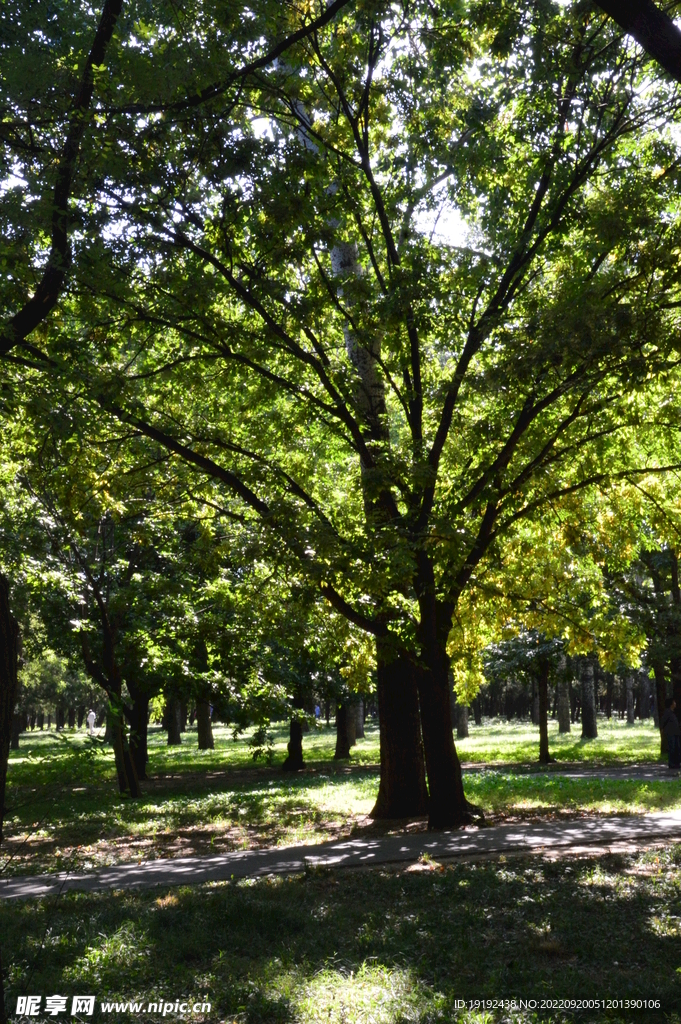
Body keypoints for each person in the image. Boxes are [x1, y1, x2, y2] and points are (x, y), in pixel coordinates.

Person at [661, 698, 681, 769]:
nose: (675, 703)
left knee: (677, 748)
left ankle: (676, 763)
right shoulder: (667, 712)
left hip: (676, 733)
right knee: (672, 748)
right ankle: (671, 763)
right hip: (670, 733)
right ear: (671, 704)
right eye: (674, 702)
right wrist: (663, 729)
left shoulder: (673, 712)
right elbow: (663, 721)